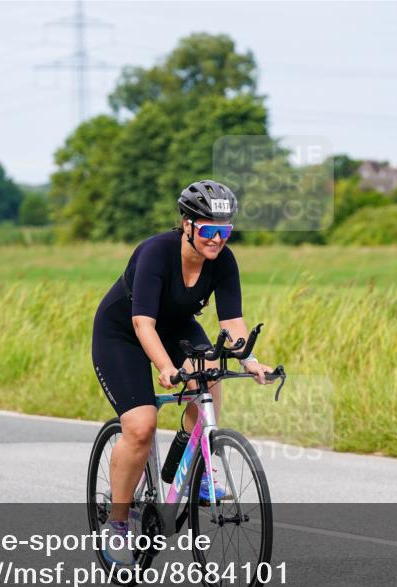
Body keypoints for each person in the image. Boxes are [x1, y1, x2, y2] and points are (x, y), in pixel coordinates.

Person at [91, 179, 275, 565]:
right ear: (187, 225)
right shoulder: (156, 253)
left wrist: (249, 360)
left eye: (225, 231)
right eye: (208, 230)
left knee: (210, 369)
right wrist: (165, 368)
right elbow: (143, 324)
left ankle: (197, 464)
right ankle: (119, 523)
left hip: (176, 326)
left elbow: (233, 321)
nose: (217, 240)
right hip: (123, 332)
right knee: (140, 427)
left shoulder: (223, 260)